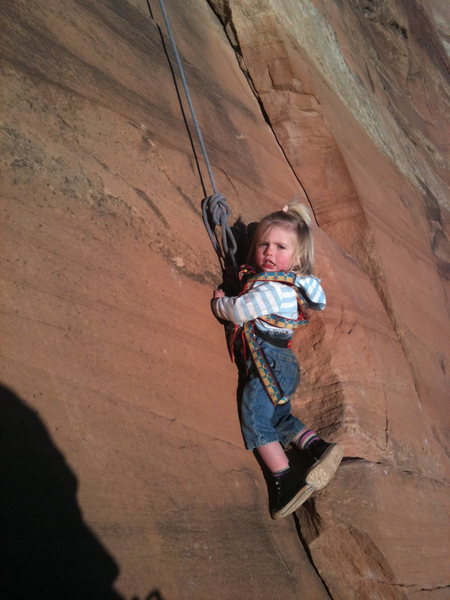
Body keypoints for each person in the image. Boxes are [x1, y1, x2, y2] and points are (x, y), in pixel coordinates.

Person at [211, 203, 343, 519]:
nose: (269, 252)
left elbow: (240, 312)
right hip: (280, 363)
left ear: (296, 259)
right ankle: (316, 448)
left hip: (269, 360)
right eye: (263, 244)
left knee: (255, 416)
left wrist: (221, 304)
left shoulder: (271, 288)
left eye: (280, 247)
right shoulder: (290, 285)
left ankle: (285, 479)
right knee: (279, 416)